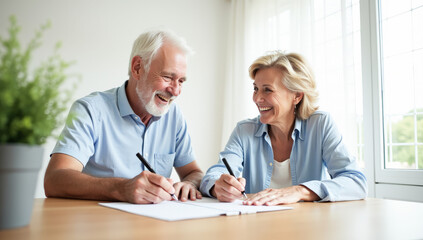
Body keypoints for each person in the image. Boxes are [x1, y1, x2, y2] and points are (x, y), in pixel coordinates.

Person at [44, 30, 204, 204]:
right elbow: (54, 180)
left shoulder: (173, 115)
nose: (175, 91)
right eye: (167, 77)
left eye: (181, 81)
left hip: (156, 225)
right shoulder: (90, 110)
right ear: (137, 68)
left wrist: (190, 183)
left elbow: (193, 173)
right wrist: (121, 188)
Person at [200, 51, 367, 205]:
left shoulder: (320, 125)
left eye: (267, 90)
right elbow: (215, 174)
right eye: (256, 89)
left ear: (296, 96)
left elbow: (356, 182)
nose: (257, 98)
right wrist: (218, 187)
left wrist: (300, 191)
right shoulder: (245, 131)